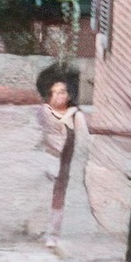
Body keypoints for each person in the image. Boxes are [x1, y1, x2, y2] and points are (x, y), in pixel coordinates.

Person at [31, 62, 88, 244]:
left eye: (62, 92)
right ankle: (41, 227)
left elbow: (83, 140)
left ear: (69, 94)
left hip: (66, 161)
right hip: (46, 158)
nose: (57, 96)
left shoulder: (76, 115)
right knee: (43, 196)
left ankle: (54, 234)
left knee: (59, 197)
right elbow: (34, 133)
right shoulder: (43, 112)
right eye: (54, 92)